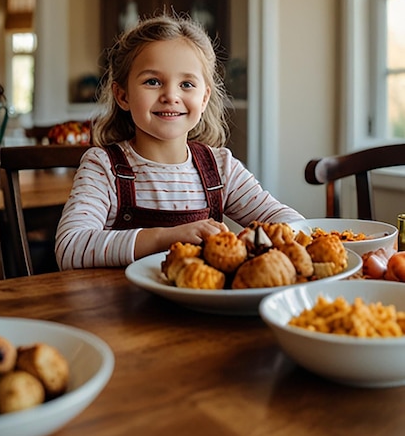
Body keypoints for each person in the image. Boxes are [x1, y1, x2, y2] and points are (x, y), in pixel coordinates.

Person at [55, 13, 304, 269]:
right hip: (122, 306)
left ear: (204, 98)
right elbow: (70, 248)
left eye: (186, 84)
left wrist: (245, 242)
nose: (170, 95)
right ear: (122, 95)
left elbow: (290, 223)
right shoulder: (103, 167)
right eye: (153, 81)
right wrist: (165, 237)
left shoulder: (220, 168)